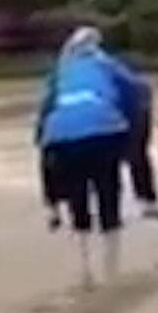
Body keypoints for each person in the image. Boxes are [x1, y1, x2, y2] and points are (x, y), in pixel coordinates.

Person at [35, 26, 140, 289]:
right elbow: (136, 92)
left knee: (77, 200)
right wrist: (129, 129)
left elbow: (46, 109)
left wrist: (44, 139)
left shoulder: (60, 70)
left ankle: (84, 270)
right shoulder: (107, 65)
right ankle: (112, 272)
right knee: (108, 195)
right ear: (97, 46)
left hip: (61, 138)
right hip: (104, 132)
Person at [123, 62, 158, 220]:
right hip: (135, 128)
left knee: (133, 160)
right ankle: (148, 202)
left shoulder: (133, 86)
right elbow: (145, 118)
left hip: (124, 127)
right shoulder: (143, 86)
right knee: (140, 160)